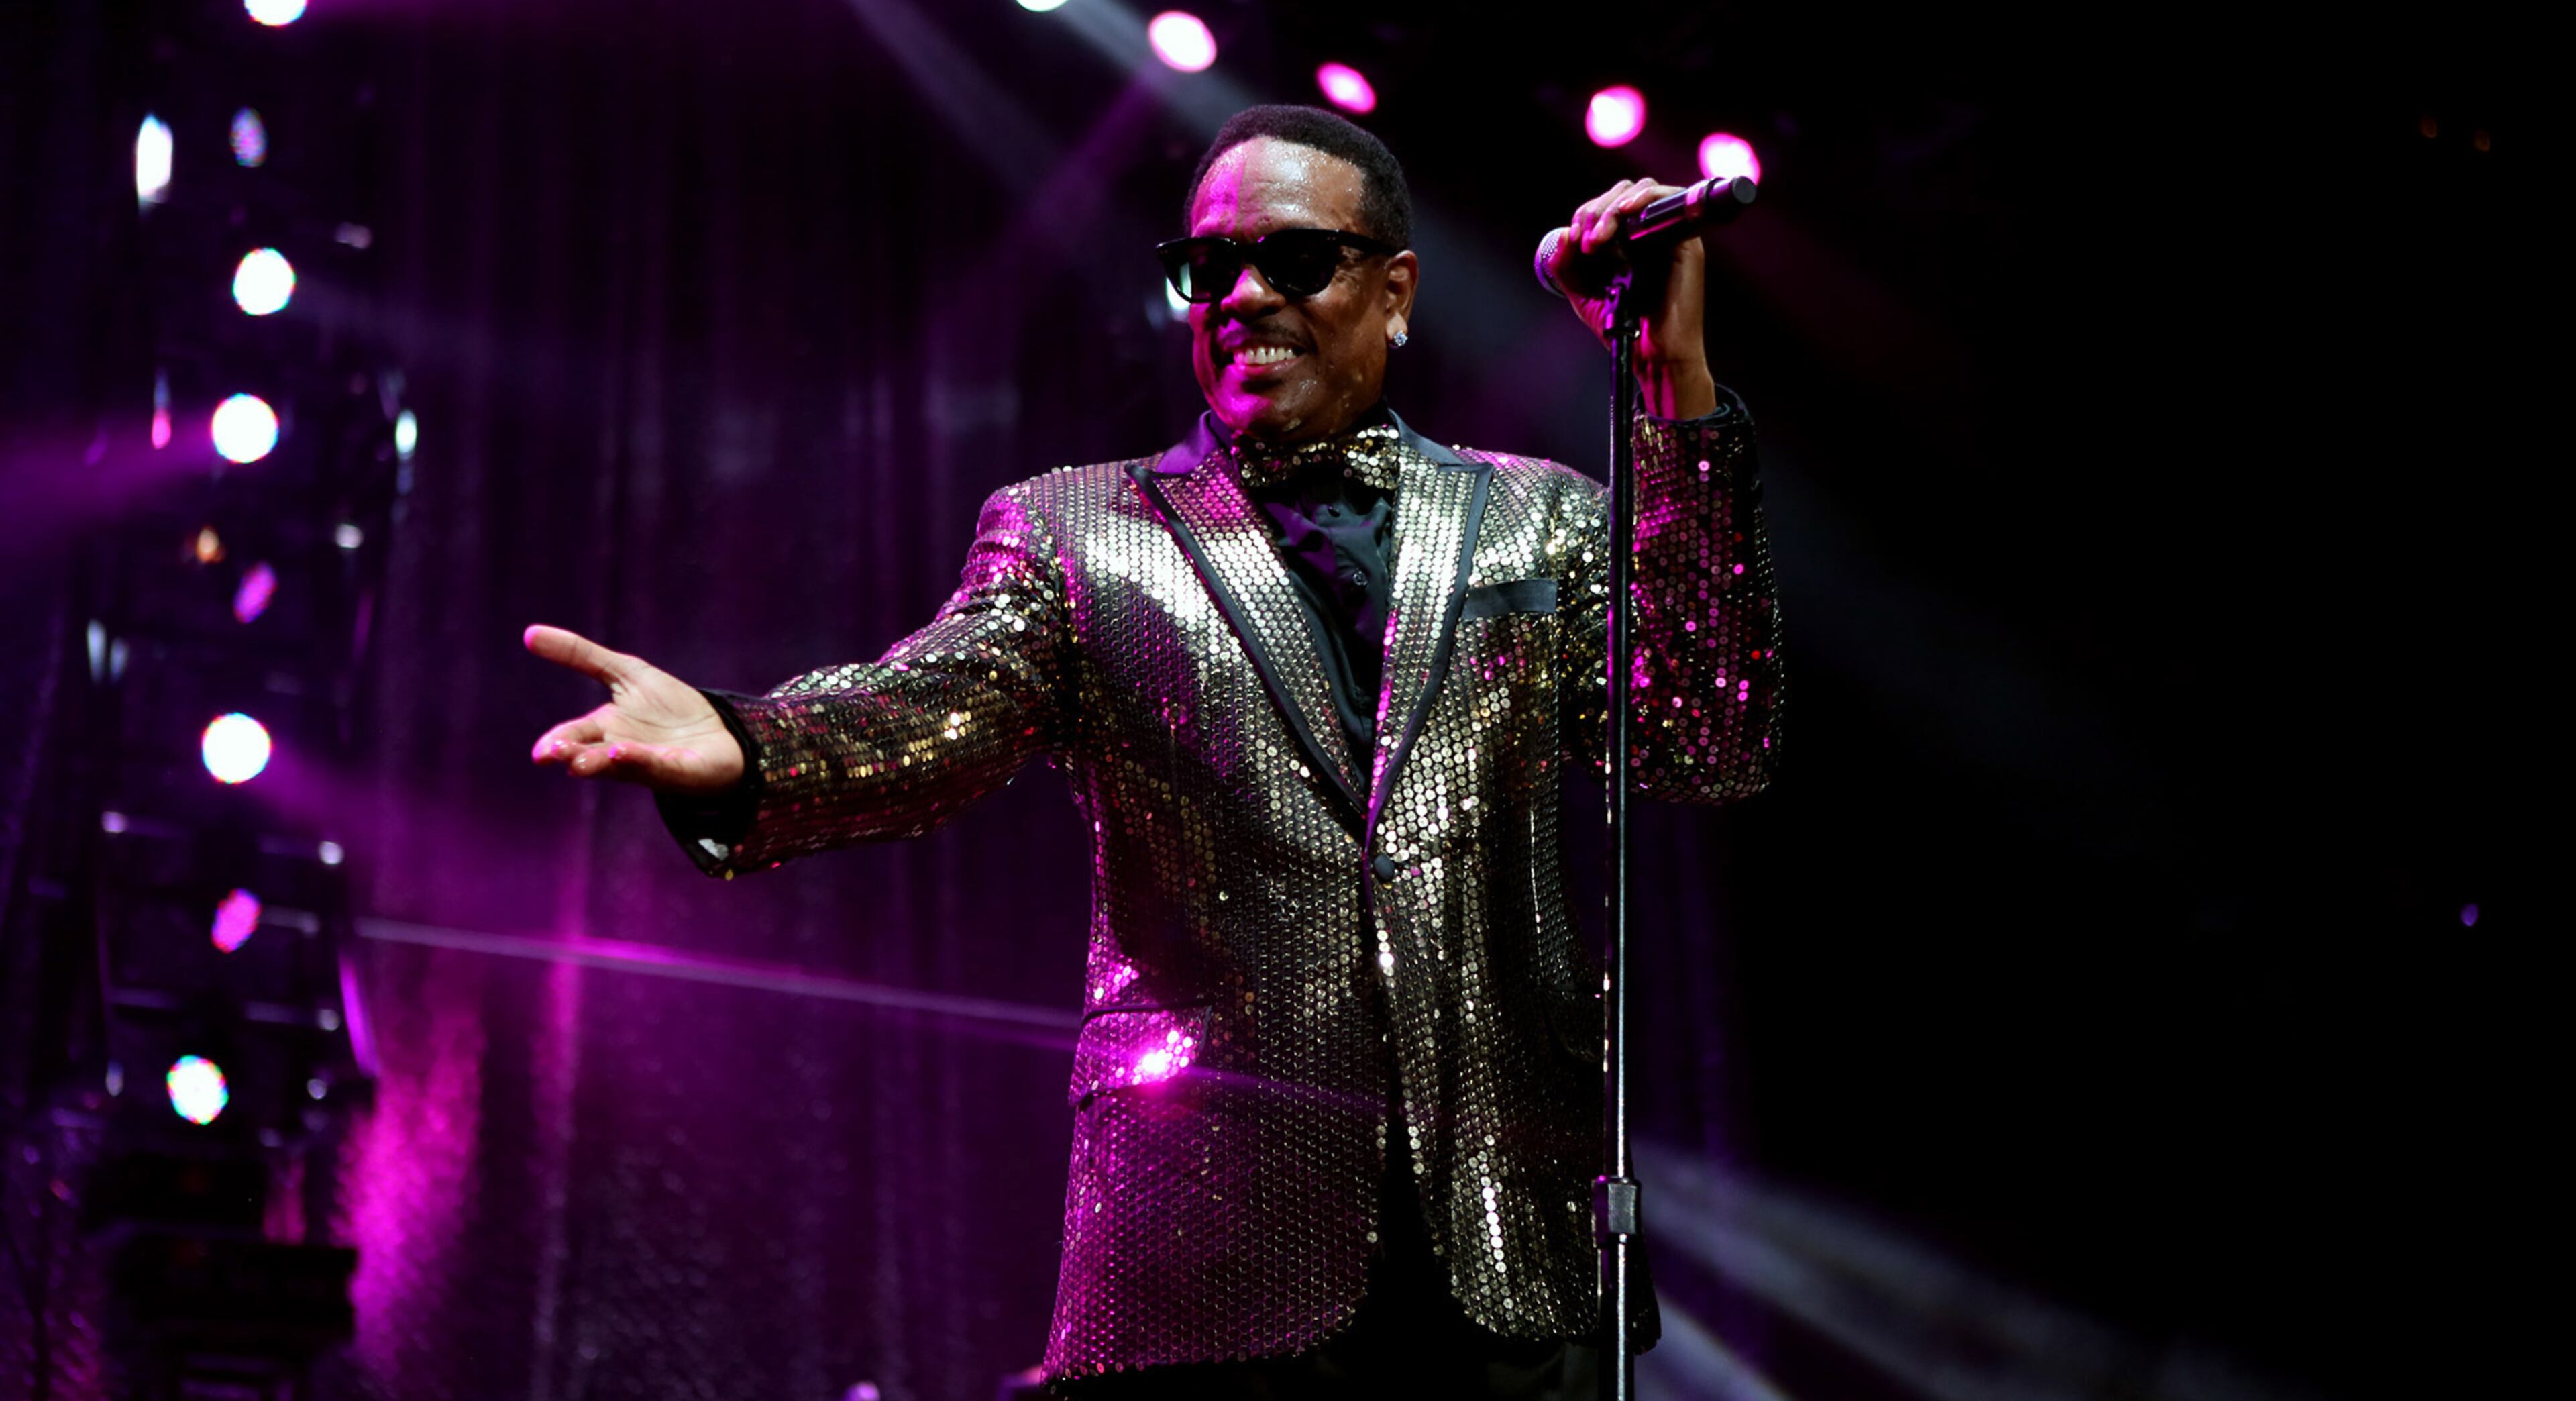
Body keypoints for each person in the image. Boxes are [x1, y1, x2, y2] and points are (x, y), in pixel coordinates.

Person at [525, 105, 1784, 1397]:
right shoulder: (1078, 533)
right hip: (1210, 1260)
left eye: (1294, 261)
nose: (1242, 296)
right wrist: (743, 742)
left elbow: (1707, 736)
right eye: (1208, 267)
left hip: (1508, 1252)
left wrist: (1667, 381)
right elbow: (928, 716)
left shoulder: (1540, 522)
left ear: (1395, 291)